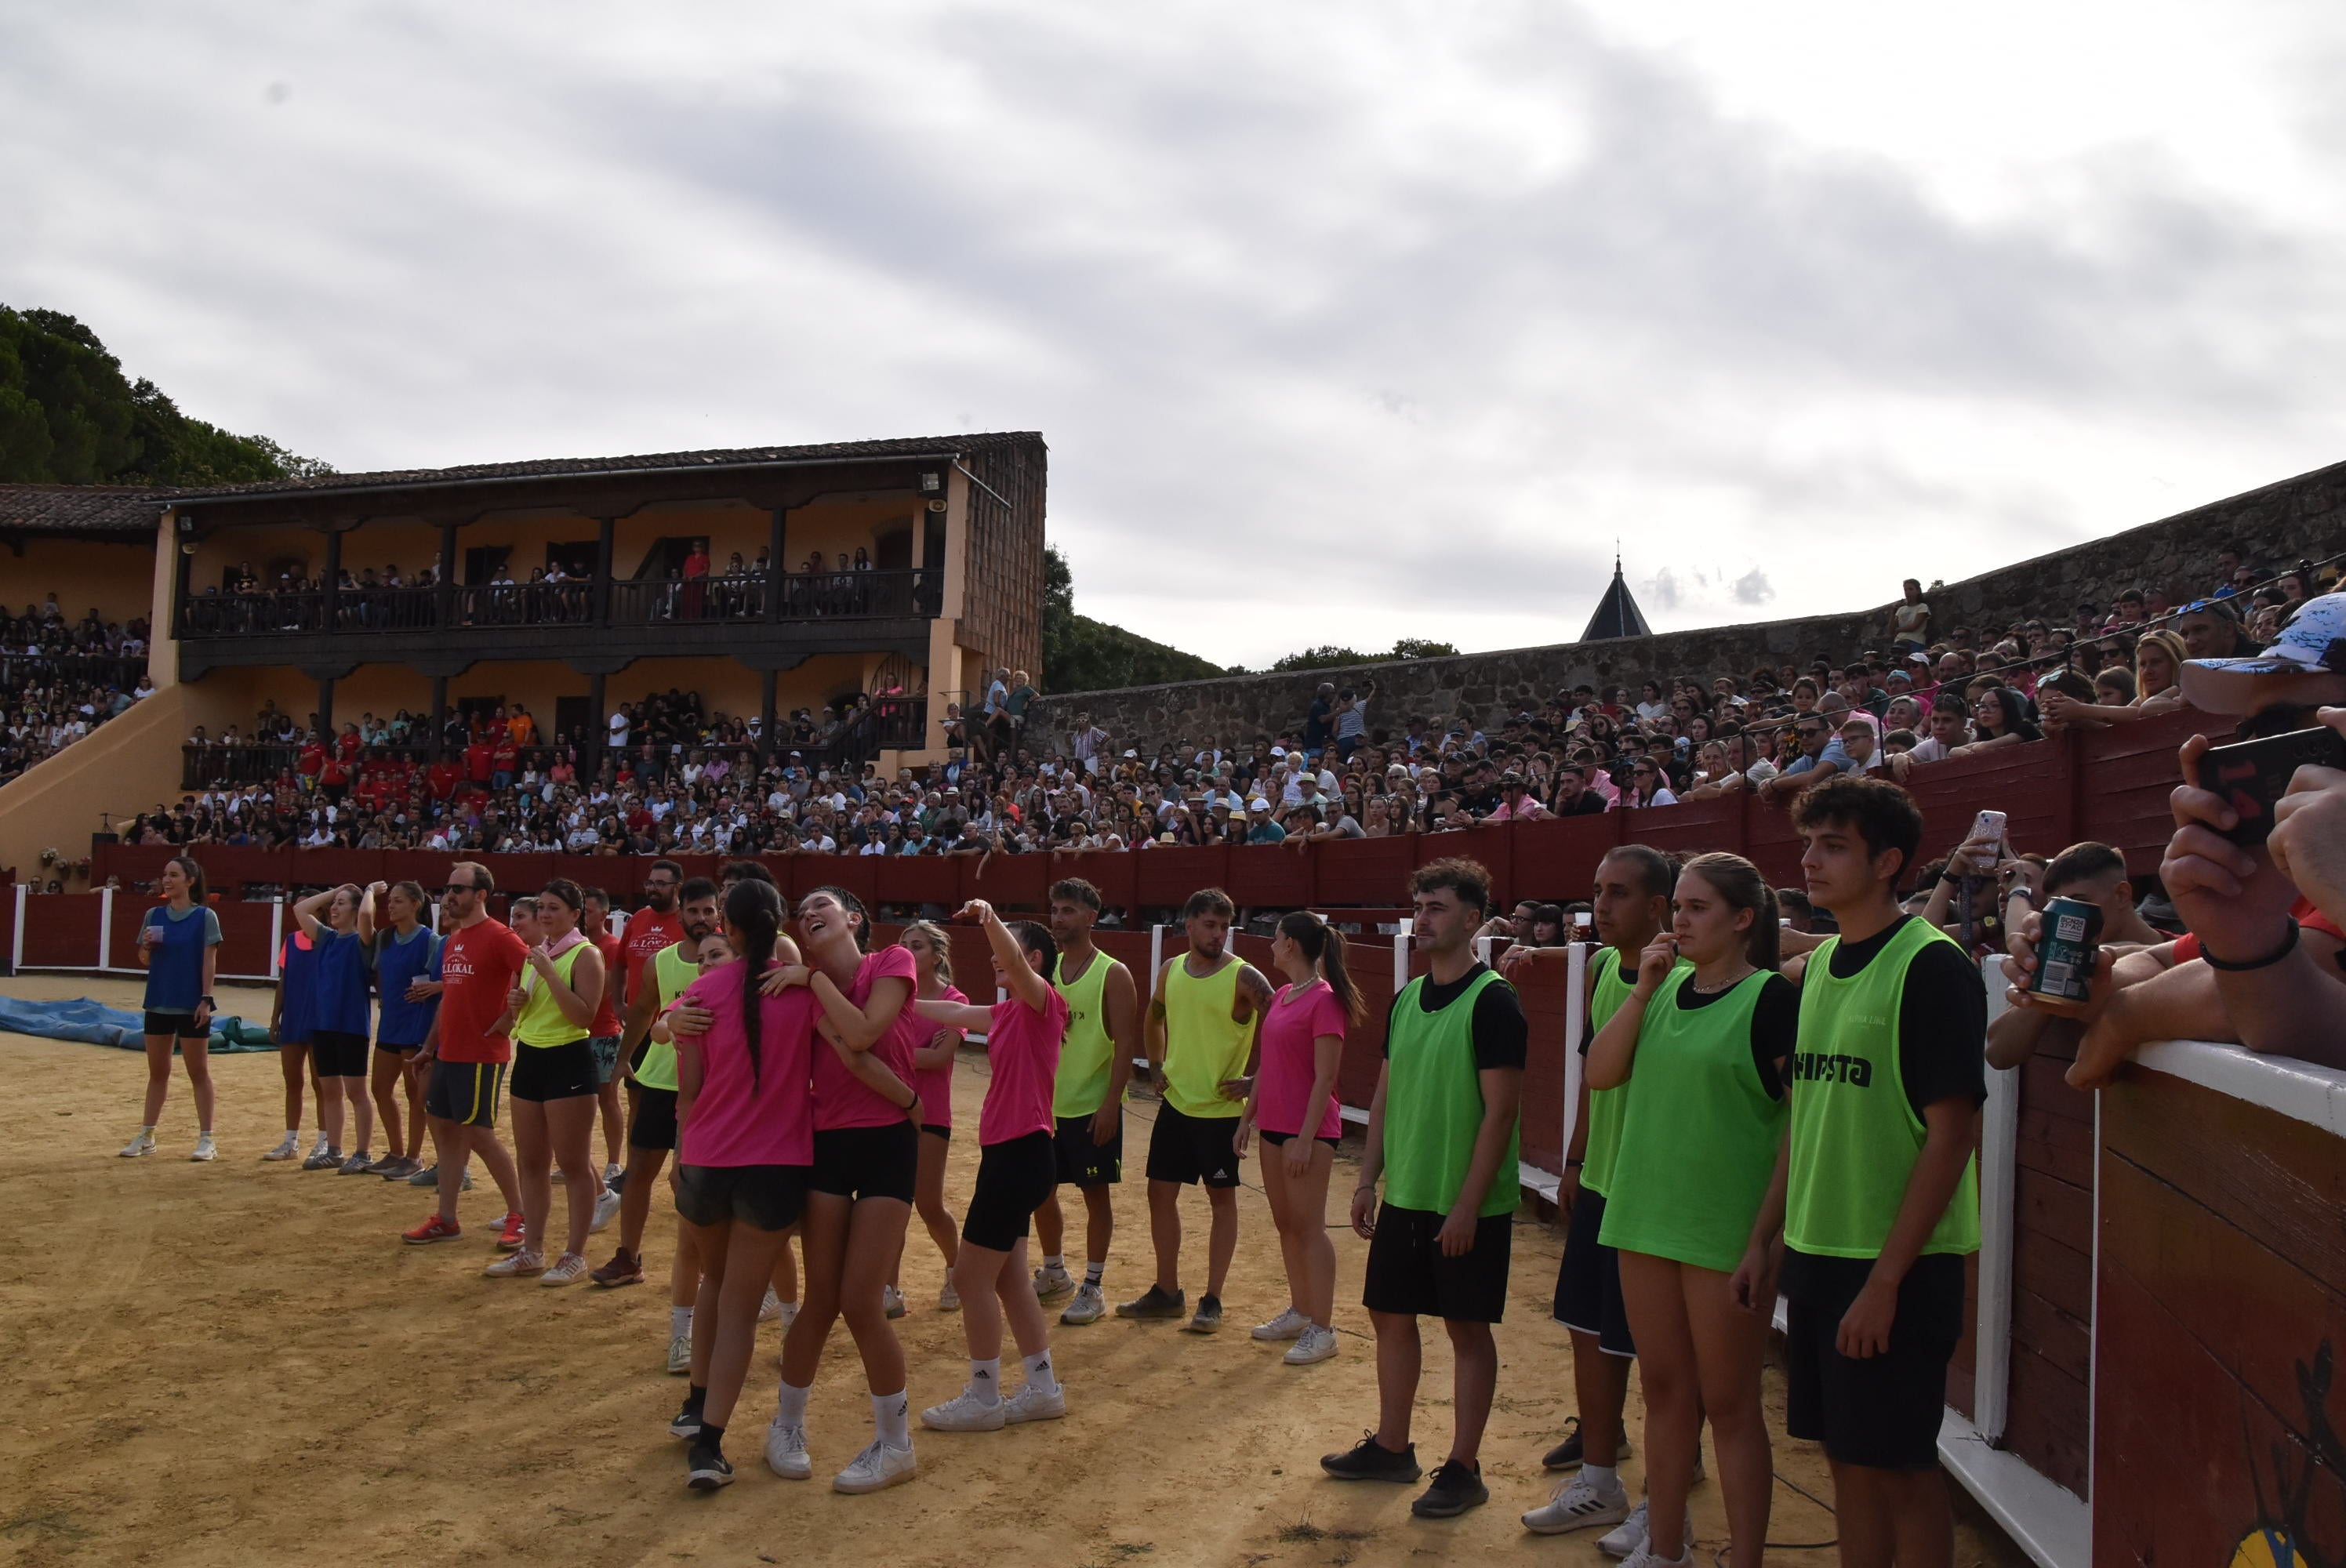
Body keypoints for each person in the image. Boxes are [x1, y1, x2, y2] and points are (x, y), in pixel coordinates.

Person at [1742, 779, 1985, 1566]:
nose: (1809, 859)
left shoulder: (1932, 966)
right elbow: (1803, 1121)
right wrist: (1763, 1237)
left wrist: (1885, 1280)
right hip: (1817, 1248)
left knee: (1901, 1466)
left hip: (1896, 1264)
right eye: (1808, 842)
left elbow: (1952, 1137)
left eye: (1833, 845)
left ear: (1888, 861)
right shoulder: (1817, 971)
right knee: (1846, 1457)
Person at [1582, 854, 1795, 1567]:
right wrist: (1642, 992)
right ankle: (1666, 1548)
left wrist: (1766, 1237)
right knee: (1664, 1392)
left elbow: (1801, 1126)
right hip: (1645, 1217)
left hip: (1723, 1231)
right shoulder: (1659, 990)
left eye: (1699, 908)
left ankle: (1745, 1559)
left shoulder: (1769, 998)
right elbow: (1600, 1075)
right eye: (1679, 907)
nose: (1680, 920)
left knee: (1731, 1406)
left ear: (1743, 919)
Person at [1322, 858, 1526, 1519]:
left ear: (1472, 919)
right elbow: (1383, 1096)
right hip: (1408, 1190)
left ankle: (1464, 1466)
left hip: (1465, 1201)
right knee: (1390, 1315)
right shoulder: (1409, 997)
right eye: (1419, 904)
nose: (1422, 917)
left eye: (1436, 906)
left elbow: (1502, 1112)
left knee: (1467, 1329)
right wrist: (1365, 1179)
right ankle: (1392, 1445)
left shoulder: (1494, 999)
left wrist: (1468, 1204)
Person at [1513, 845, 1681, 1552]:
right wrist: (1577, 1159)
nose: (1600, 907)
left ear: (1658, 907)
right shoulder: (1612, 967)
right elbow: (1592, 1073)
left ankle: (1666, 1498)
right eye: (1596, 891)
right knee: (1588, 1331)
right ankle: (1602, 1479)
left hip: (1657, 1190)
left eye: (1617, 894)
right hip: (1606, 1179)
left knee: (1666, 1360)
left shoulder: (1683, 979)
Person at [663, 880, 823, 1491]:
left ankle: (696, 1407)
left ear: (725, 928)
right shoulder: (803, 993)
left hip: (706, 1161)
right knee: (738, 1307)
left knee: (715, 1282)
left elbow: (690, 1091)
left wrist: (687, 1148)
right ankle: (708, 1443)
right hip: (776, 1164)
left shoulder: (701, 992)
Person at [766, 886, 926, 1492]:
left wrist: (809, 982)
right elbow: (855, 1056)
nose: (808, 915)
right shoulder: (805, 989)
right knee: (821, 1299)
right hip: (830, 1143)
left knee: (862, 1300)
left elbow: (861, 1035)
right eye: (801, 913)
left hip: (886, 1142)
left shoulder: (892, 962)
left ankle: (896, 1446)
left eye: (822, 908)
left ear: (854, 919)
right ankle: (786, 1427)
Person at [911, 900, 1073, 1434]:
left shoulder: (1043, 1000)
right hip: (1013, 1155)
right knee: (1007, 1280)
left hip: (1018, 1155)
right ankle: (1043, 1387)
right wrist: (892, 995)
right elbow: (952, 1013)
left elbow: (1015, 963)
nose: (994, 962)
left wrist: (988, 918)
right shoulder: (1006, 1013)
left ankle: (983, 1396)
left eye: (1005, 956)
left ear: (1031, 958)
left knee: (969, 1278)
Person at [1118, 887, 1270, 1332]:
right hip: (1177, 1104)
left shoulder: (1244, 977)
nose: (1218, 934)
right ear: (1188, 926)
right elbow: (1154, 1015)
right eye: (1210, 924)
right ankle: (1167, 1291)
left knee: (1221, 1201)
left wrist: (1257, 1080)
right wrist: (1156, 1062)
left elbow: (1287, 1023)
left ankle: (1213, 1298)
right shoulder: (1170, 970)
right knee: (1159, 1194)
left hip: (1222, 1111)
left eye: (1224, 926)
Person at [593, 879, 720, 1359]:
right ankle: (629, 1256)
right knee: (641, 1171)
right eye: (694, 910)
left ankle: (706, 1270)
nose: (702, 917)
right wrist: (622, 1061)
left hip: (708, 1090)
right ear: (681, 914)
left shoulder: (729, 962)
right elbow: (644, 1012)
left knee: (691, 1183)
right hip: (661, 1079)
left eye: (709, 909)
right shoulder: (664, 961)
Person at [1235, 910, 1360, 1367]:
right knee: (1287, 1224)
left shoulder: (1325, 1001)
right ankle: (1302, 1309)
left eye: (1276, 937)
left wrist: (1306, 1139)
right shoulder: (1286, 994)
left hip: (1308, 1130)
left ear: (1291, 945)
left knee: (1309, 1228)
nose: (1270, 944)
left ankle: (1324, 1329)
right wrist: (1247, 1119)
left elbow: (1326, 1077)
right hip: (1275, 1126)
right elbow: (1268, 1066)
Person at [486, 881, 616, 1285]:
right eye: (541, 907)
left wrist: (547, 975)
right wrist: (516, 1005)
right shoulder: (537, 954)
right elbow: (533, 1008)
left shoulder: (585, 954)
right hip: (531, 1056)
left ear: (576, 915)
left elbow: (583, 1016)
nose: (544, 914)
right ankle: (533, 1250)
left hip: (568, 1060)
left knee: (574, 1164)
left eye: (554, 908)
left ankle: (574, 1255)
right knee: (531, 1161)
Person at [401, 862, 528, 1250]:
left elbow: (536, 974)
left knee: (479, 1135)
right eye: (448, 888)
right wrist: (428, 1047)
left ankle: (519, 1216)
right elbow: (450, 1000)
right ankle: (447, 1218)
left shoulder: (500, 936)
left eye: (459, 889)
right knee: (444, 1131)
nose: (449, 895)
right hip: (449, 1052)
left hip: (480, 1054)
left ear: (481, 895)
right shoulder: (454, 940)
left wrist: (510, 1019)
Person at [1036, 877, 1140, 1326]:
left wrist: (1110, 1105)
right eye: (1055, 910)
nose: (1059, 918)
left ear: (1091, 916)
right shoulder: (1044, 970)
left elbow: (1124, 1046)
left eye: (1069, 910)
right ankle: (1056, 1270)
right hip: (1047, 1105)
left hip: (1091, 1105)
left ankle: (1093, 1286)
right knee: (1041, 1191)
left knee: (1095, 1195)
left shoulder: (1112, 973)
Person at [122, 854, 222, 1161]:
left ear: (189, 881)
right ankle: (147, 1134)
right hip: (159, 1000)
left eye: (174, 875)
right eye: (165, 874)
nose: (167, 879)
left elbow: (209, 960)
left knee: (198, 1071)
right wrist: (147, 947)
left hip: (191, 1003)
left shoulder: (205, 916)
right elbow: (144, 960)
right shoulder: (153, 915)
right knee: (158, 1072)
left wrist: (206, 998)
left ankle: (207, 1139)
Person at [892, 921, 969, 1310]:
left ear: (936, 956)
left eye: (917, 945)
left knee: (927, 1203)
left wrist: (887, 1052)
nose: (907, 950)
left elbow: (939, 1059)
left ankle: (957, 1269)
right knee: (889, 1203)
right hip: (888, 1107)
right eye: (903, 944)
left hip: (931, 1113)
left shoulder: (955, 998)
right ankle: (889, 1288)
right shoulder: (891, 992)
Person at [292, 884, 376, 1171]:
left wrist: (367, 892)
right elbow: (300, 909)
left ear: (354, 909)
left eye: (341, 904)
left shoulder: (363, 941)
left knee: (356, 1092)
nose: (334, 908)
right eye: (334, 903)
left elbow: (367, 914)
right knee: (330, 1090)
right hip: (323, 1023)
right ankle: (335, 1150)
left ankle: (363, 1153)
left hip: (351, 1025)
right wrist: (336, 891)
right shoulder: (327, 938)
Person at [361, 880, 441, 1180]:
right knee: (380, 1088)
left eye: (397, 901)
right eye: (389, 901)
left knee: (414, 1093)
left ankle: (413, 1156)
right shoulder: (385, 938)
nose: (390, 906)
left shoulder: (429, 940)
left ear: (415, 905)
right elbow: (380, 970)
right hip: (391, 1023)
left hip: (416, 1022)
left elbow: (444, 981)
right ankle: (396, 1152)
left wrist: (432, 990)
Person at [262, 904, 321, 1165]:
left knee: (323, 1085)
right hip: (294, 1017)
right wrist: (276, 1018)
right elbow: (284, 980)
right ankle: (291, 1141)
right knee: (292, 1081)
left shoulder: (329, 940)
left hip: (321, 1020)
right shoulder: (291, 940)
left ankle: (324, 1142)